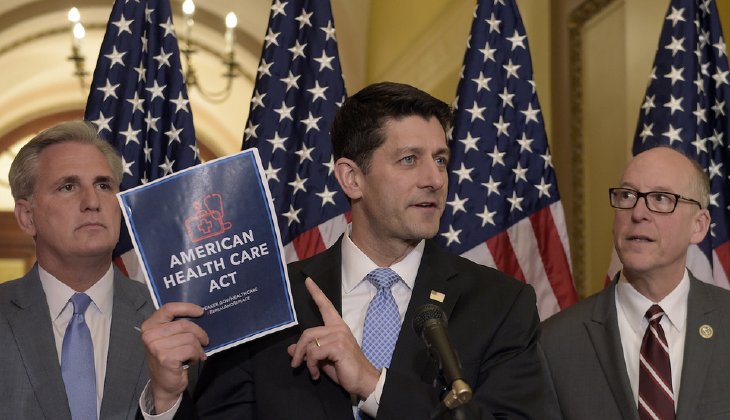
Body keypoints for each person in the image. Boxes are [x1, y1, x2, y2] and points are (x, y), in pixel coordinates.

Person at [140, 82, 544, 419]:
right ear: (351, 179)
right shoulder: (267, 303)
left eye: (440, 160)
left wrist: (373, 385)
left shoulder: (500, 304)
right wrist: (166, 398)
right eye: (409, 160)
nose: (435, 179)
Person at [540, 147, 730, 419]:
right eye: (627, 196)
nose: (638, 212)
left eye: (661, 198)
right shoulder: (553, 343)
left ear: (698, 226)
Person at [0, 121, 154, 419]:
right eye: (68, 187)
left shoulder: (168, 316)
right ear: (27, 217)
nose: (92, 202)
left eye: (103, 185)